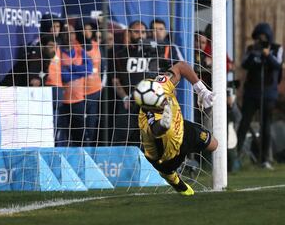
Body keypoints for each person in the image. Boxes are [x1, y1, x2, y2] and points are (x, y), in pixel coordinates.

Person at [137, 61, 218, 195]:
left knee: (214, 145)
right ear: (149, 107)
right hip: (166, 156)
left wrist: (201, 90)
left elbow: (181, 67)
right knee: (168, 173)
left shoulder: (160, 85)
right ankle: (171, 177)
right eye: (159, 102)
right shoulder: (146, 120)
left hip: (182, 130)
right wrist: (164, 124)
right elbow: (156, 130)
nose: (163, 101)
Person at [236, 22, 283, 170]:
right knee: (243, 124)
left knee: (266, 126)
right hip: (251, 93)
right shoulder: (251, 49)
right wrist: (254, 55)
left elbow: (278, 65)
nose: (260, 40)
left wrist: (268, 56)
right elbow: (244, 64)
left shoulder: (277, 48)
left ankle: (265, 160)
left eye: (263, 37)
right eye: (258, 37)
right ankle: (236, 158)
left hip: (268, 93)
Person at [112, 20, 148, 146]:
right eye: (136, 32)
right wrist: (125, 98)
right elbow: (115, 80)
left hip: (150, 103)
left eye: (143, 32)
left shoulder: (155, 54)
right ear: (129, 33)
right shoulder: (120, 54)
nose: (140, 35)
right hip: (129, 104)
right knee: (123, 139)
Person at [58, 23, 93, 147]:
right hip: (61, 102)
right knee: (60, 136)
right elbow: (62, 76)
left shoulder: (80, 51)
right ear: (61, 35)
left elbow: (89, 70)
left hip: (78, 101)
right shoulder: (58, 52)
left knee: (80, 136)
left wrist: (71, 67)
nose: (69, 36)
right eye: (66, 33)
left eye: (71, 33)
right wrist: (78, 72)